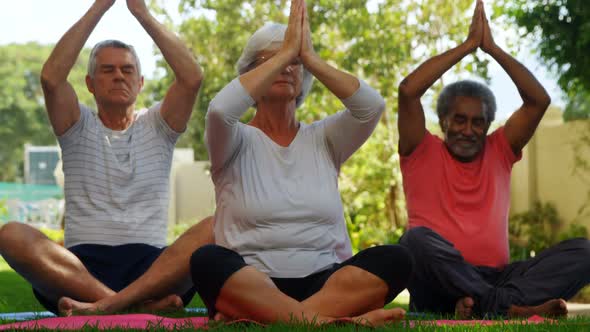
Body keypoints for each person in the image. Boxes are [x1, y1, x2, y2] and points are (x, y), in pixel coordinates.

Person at [188, 0, 413, 326]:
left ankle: (274, 318)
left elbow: (372, 106)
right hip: (251, 279)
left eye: (294, 62)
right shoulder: (232, 138)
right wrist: (286, 54)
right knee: (206, 260)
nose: (285, 68)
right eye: (271, 61)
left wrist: (309, 56)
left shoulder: (325, 138)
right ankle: (323, 321)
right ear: (252, 74)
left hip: (324, 281)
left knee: (397, 258)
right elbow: (220, 110)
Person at [0, 0, 213, 315]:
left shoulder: (159, 126)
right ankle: (133, 308)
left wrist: (141, 12)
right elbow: (51, 79)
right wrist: (100, 6)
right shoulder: (76, 124)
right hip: (80, 272)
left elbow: (192, 77)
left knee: (216, 227)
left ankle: (108, 306)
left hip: (152, 270)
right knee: (11, 235)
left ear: (140, 83)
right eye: (107, 70)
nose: (118, 76)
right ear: (89, 84)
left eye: (127, 70)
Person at [397, 0, 590, 318]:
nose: (468, 130)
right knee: (414, 242)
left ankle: (482, 305)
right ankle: (505, 307)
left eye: (478, 122)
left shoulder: (499, 149)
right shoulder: (420, 148)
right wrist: (467, 46)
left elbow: (538, 100)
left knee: (583, 252)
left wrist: (493, 49)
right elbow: (408, 91)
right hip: (439, 278)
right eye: (459, 120)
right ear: (444, 120)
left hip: (499, 277)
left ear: (488, 126)